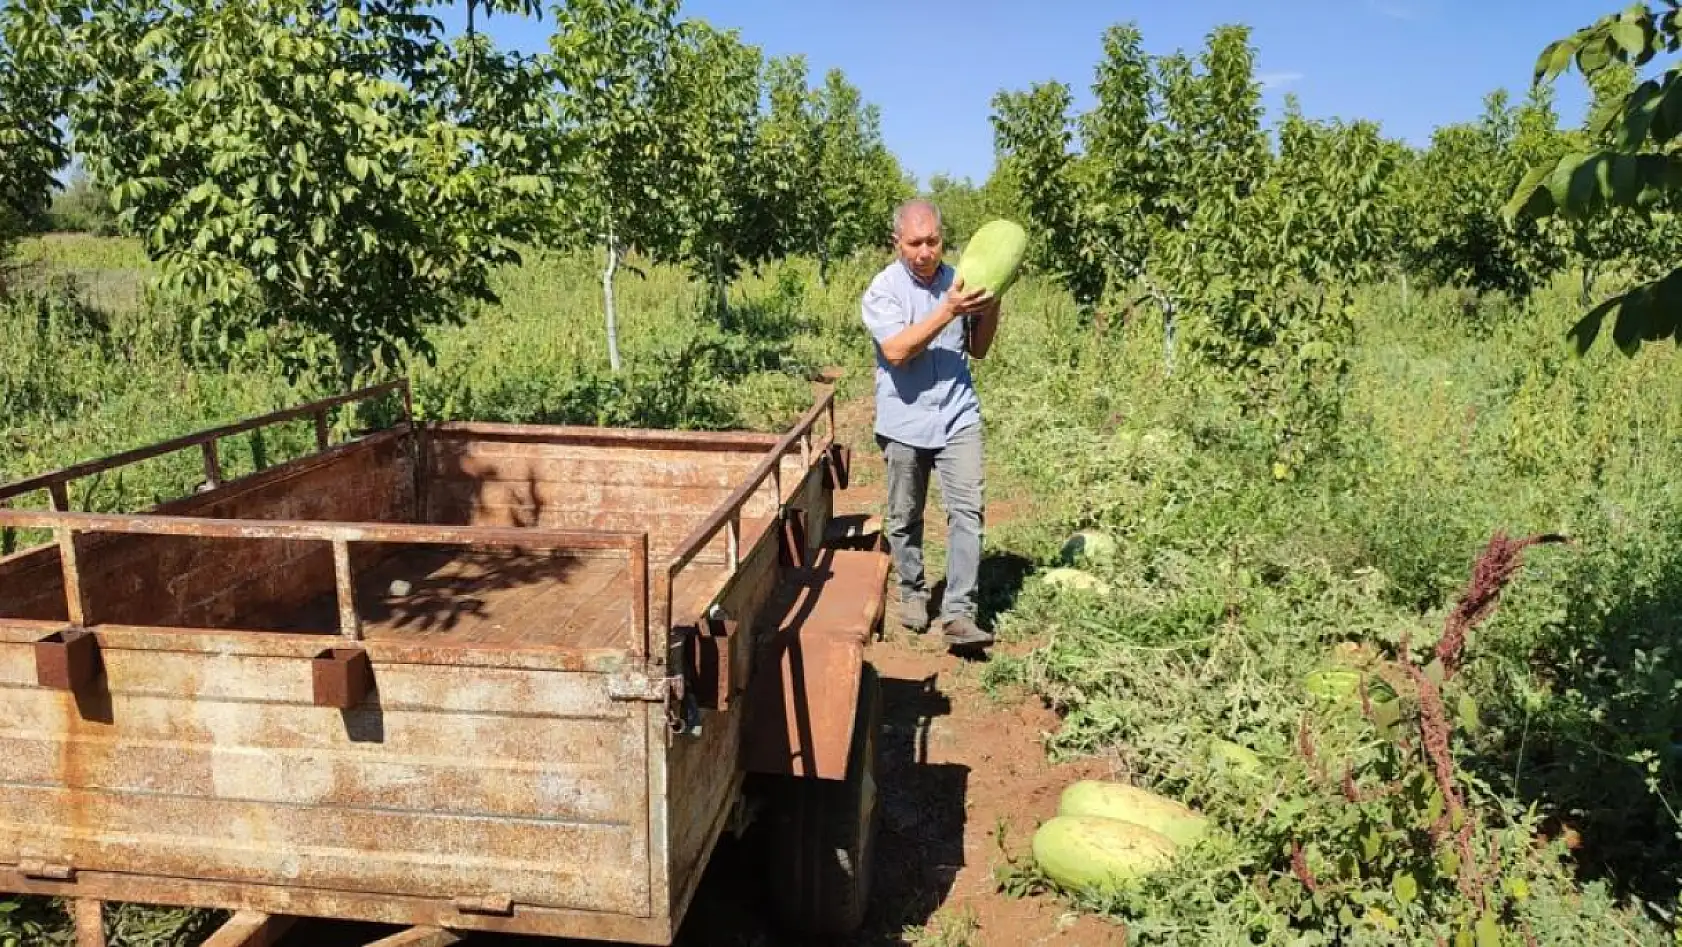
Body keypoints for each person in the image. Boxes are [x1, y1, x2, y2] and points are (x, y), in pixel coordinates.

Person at [859, 199, 1000, 649]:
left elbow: (978, 350)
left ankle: (959, 612)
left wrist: (992, 303)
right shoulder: (883, 289)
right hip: (905, 420)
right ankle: (913, 591)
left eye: (933, 241)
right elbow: (897, 352)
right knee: (905, 516)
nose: (925, 251)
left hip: (959, 414)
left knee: (968, 514)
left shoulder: (963, 280)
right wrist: (948, 311)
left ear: (943, 238)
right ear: (897, 242)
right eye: (915, 243)